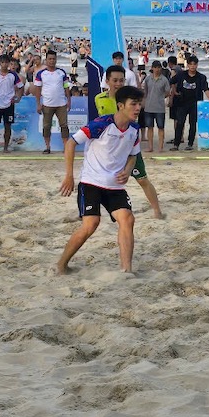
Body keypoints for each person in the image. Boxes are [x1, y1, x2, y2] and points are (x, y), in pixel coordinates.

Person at [57, 85, 144, 274]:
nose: (137, 108)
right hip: (91, 182)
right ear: (121, 105)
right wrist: (69, 176)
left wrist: (128, 170)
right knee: (91, 224)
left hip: (114, 185)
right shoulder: (100, 124)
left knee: (127, 219)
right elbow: (71, 143)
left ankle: (126, 270)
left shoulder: (135, 129)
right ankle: (61, 265)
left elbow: (133, 155)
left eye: (139, 104)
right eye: (133, 104)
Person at [96, 66, 163, 219]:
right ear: (107, 81)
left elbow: (133, 122)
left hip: (128, 146)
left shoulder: (131, 100)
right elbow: (98, 122)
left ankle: (157, 211)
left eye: (121, 80)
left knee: (142, 179)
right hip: (109, 149)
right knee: (96, 181)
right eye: (115, 80)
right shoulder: (99, 98)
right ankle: (87, 213)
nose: (118, 83)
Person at [169, 55, 209, 151]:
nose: (192, 66)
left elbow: (206, 89)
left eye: (194, 64)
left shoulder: (201, 77)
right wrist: (174, 91)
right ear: (187, 65)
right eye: (190, 64)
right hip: (181, 103)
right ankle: (176, 144)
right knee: (180, 123)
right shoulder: (181, 75)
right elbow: (171, 81)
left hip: (195, 103)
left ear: (197, 65)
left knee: (193, 124)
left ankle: (190, 144)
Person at [34, 50, 71, 155]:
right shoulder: (41, 74)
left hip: (61, 104)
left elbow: (66, 87)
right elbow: (37, 89)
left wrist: (69, 100)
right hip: (47, 104)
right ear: (46, 60)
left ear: (56, 60)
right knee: (46, 126)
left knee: (64, 126)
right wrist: (38, 103)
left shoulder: (61, 73)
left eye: (54, 59)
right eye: (50, 59)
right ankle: (47, 147)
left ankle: (66, 147)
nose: (52, 61)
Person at [140, 60, 170, 152]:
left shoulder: (164, 80)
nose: (157, 69)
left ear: (161, 68)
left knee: (161, 127)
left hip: (160, 108)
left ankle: (160, 147)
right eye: (155, 67)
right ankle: (150, 147)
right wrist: (144, 103)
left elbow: (167, 92)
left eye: (158, 67)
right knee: (150, 127)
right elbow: (145, 92)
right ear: (152, 68)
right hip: (149, 107)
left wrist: (160, 98)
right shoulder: (148, 79)